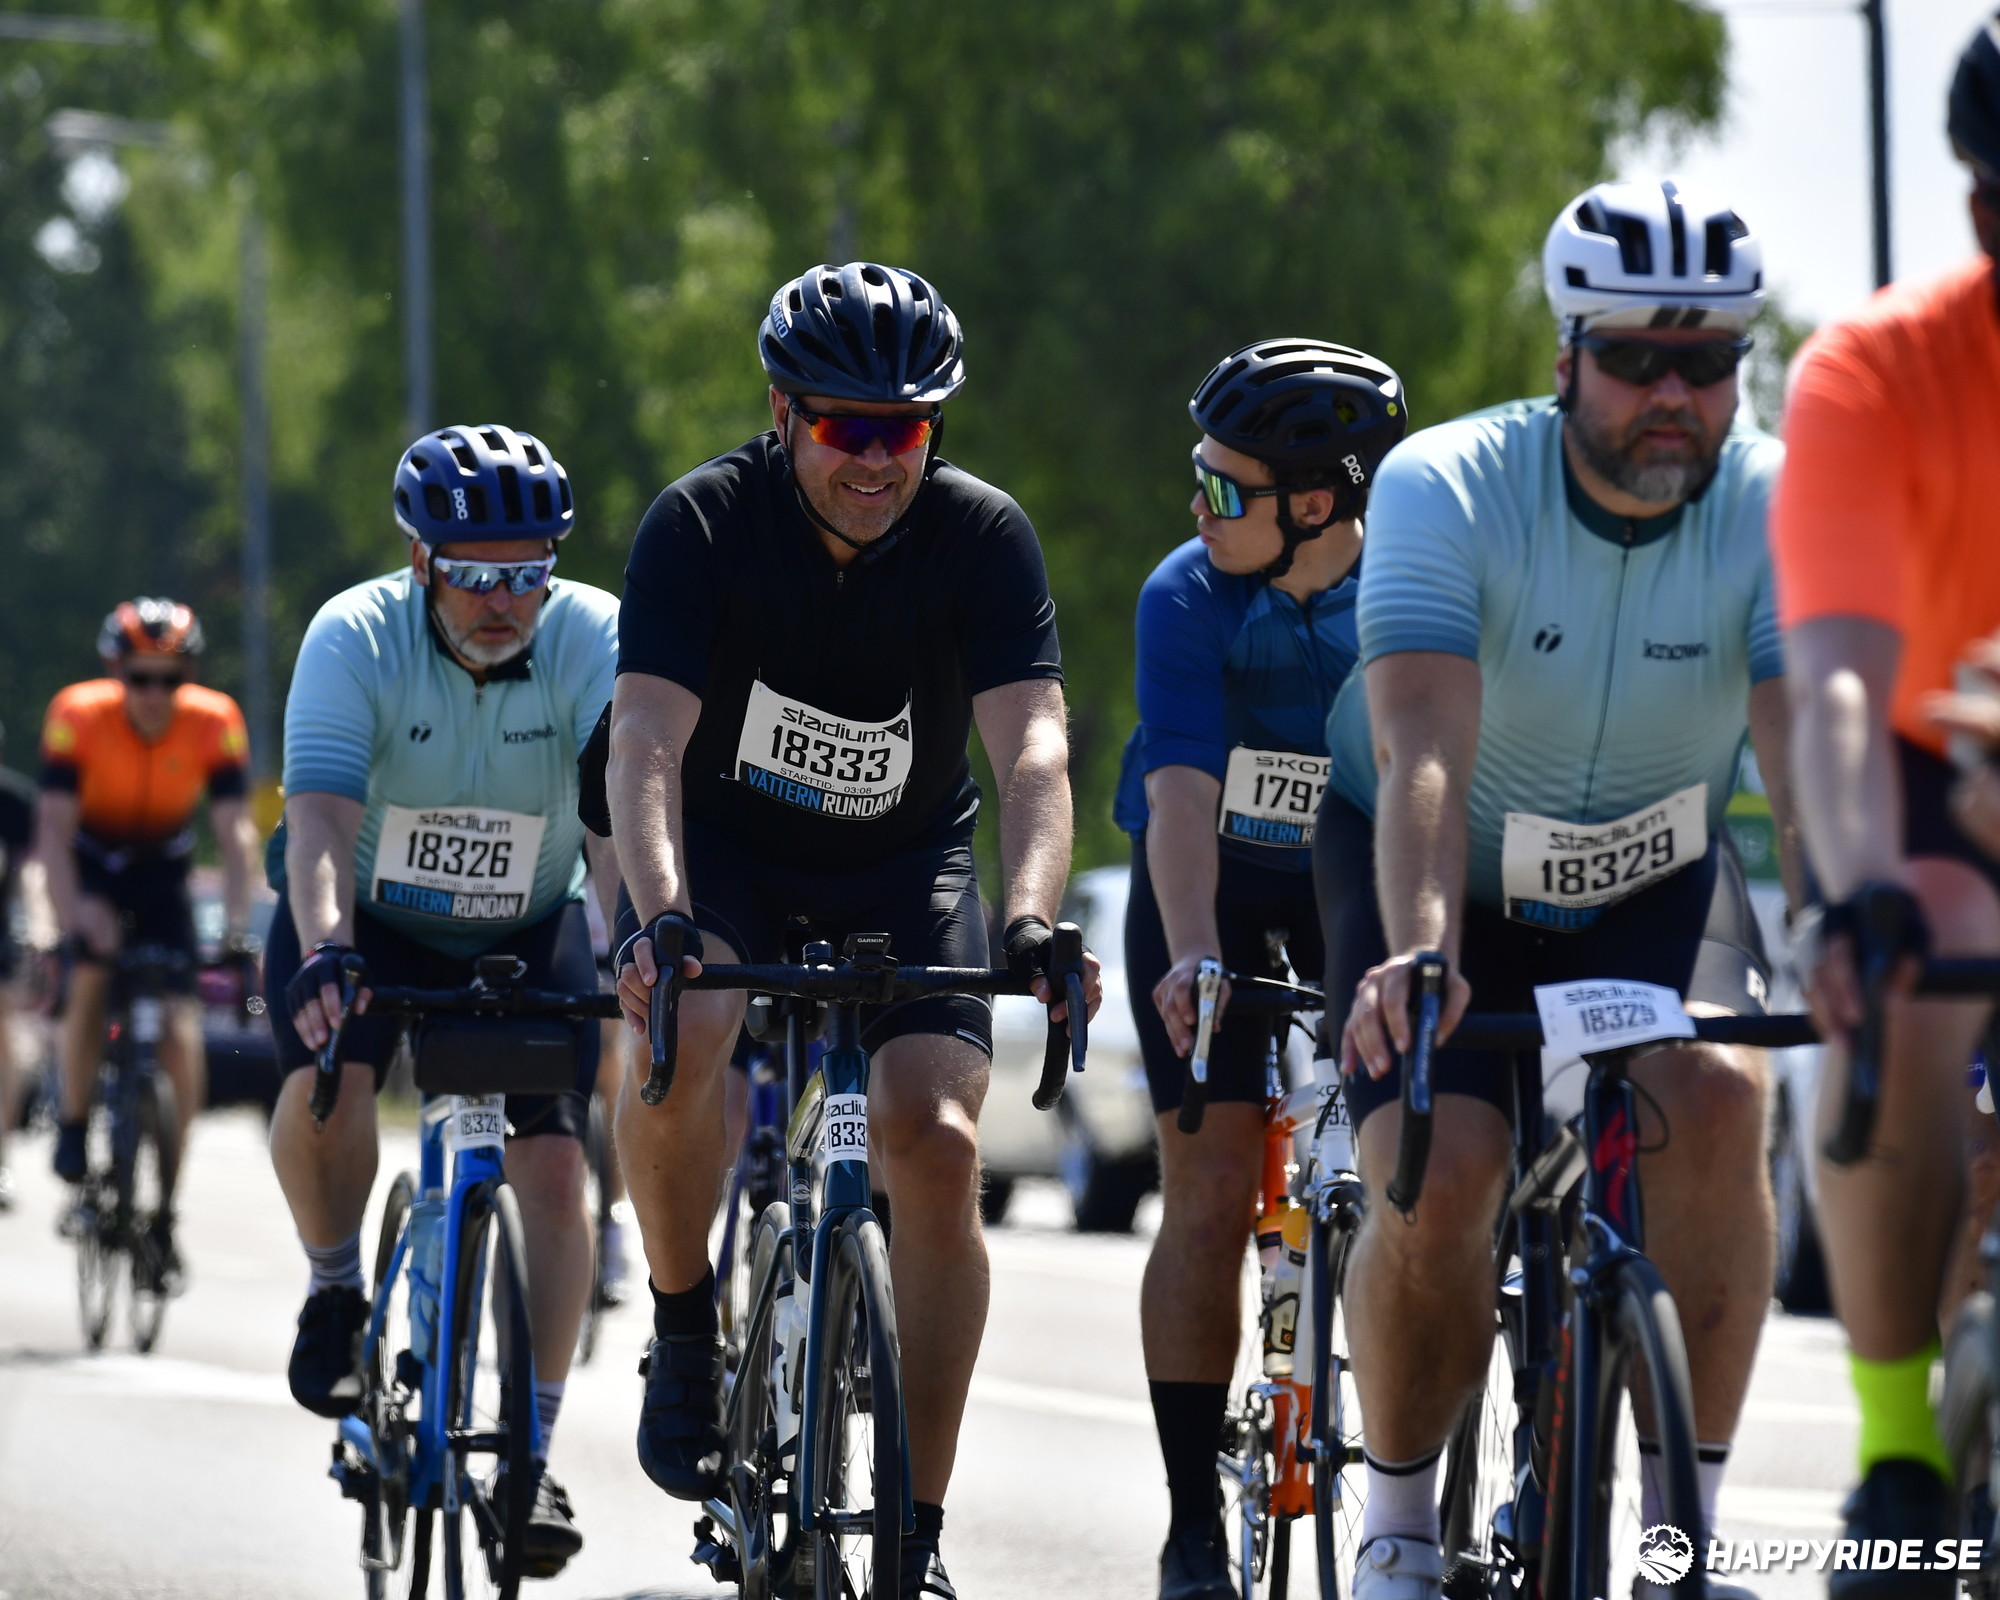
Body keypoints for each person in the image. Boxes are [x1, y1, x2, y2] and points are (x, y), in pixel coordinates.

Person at [1319, 179, 1798, 1600]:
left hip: (1655, 874)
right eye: (1637, 359)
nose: (1673, 397)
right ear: (1565, 357)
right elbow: (1418, 748)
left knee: (1721, 1096)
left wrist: (1849, 918)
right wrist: (1419, 949)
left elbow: (1805, 749)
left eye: (1706, 362)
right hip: (1439, 870)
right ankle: (1399, 1530)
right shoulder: (1446, 485)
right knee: (1446, 1166)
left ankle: (1677, 1538)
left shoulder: (1776, 501)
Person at [607, 260, 1101, 1599]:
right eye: (846, 426)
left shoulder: (982, 537)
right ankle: (685, 1322)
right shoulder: (700, 524)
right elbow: (645, 741)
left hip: (903, 864)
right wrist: (661, 916)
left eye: (907, 428)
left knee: (936, 1142)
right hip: (728, 853)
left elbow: (1034, 751)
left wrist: (1032, 915)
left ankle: (916, 1529)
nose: (878, 460)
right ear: (783, 413)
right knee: (689, 1021)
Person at [266, 423, 618, 1577]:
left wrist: (633, 944)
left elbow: (615, 822)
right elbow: (319, 819)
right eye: (475, 575)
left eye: (528, 573)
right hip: (368, 913)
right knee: (330, 1082)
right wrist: (327, 949)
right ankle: (335, 1288)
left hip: (524, 922)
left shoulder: (594, 635)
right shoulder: (352, 635)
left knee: (556, 1170)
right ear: (420, 559)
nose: (504, 602)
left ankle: (534, 1453)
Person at [1114, 338, 1408, 1600]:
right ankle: (1192, 1524)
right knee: (1212, 1181)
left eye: (1223, 488)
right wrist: (1191, 949)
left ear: (1317, 504)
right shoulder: (1185, 592)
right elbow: (1179, 793)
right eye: (1196, 474)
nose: (1196, 505)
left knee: (1414, 1166)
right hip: (1210, 884)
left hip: (1352, 871)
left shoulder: (1408, 591)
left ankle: (1411, 1493)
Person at [1768, 19, 2000, 1594]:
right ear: (1983, 210)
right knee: (1905, 970)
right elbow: (1838, 690)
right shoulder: (1874, 372)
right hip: (1926, 748)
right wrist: (1855, 890)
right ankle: (1901, 1449)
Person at [38, 599, 261, 1282]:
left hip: (163, 876)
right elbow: (52, 829)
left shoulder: (215, 720)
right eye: (140, 678)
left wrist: (236, 923)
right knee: (91, 972)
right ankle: (74, 1123)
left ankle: (165, 1206)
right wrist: (74, 913)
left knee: (180, 1030)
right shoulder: (77, 714)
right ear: (117, 672)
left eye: (170, 679)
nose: (155, 694)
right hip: (93, 867)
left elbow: (235, 831)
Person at [0, 720, 36, 1211]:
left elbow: (33, 872)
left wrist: (39, 928)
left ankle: (1, 1155)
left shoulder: (14, 802)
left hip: (0, 937)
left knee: (9, 1045)